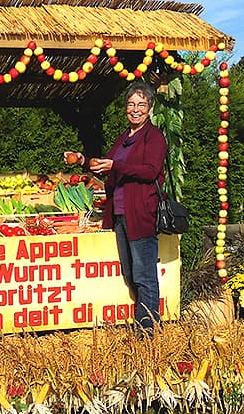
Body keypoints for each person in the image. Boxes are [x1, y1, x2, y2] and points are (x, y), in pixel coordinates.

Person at [63, 82, 167, 334]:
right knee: (131, 273)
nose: (135, 109)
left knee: (144, 275)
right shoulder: (124, 137)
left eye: (141, 104)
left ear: (150, 108)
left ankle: (148, 331)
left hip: (140, 212)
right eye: (131, 104)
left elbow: (150, 170)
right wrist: (84, 160)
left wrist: (115, 167)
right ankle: (145, 323)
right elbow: (107, 166)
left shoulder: (154, 137)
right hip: (120, 214)